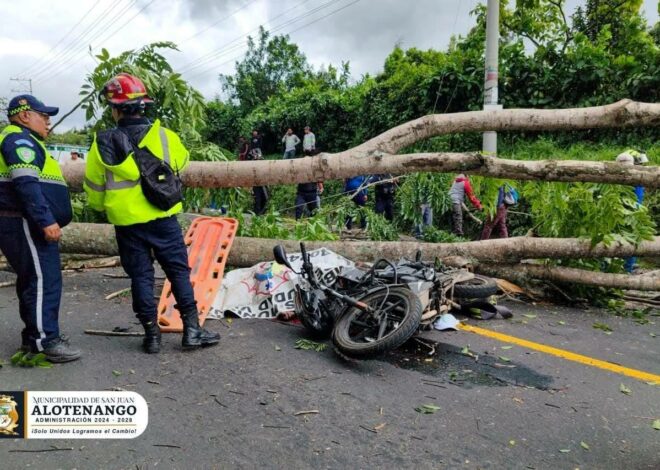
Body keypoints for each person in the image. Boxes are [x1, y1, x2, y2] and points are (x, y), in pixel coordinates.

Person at [84, 73, 220, 354]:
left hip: (126, 222)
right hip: (163, 216)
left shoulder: (102, 144)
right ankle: (192, 331)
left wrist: (104, 208)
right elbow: (181, 162)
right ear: (143, 105)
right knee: (178, 273)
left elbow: (95, 190)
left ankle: (151, 336)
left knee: (141, 277)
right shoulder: (164, 136)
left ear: (115, 109)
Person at [0, 95, 80, 362]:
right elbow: (26, 184)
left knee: (33, 280)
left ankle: (35, 336)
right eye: (43, 116)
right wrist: (45, 220)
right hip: (25, 220)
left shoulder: (23, 139)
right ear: (24, 116)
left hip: (22, 220)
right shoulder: (18, 140)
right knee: (44, 280)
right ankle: (46, 342)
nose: (48, 122)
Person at [616, 149, 649, 272]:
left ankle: (627, 266)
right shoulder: (633, 178)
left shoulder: (638, 177)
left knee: (630, 238)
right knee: (628, 237)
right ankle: (626, 267)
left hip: (631, 213)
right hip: (625, 213)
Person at [247, 130, 268, 214]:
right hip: (256, 183)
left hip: (263, 183)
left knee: (265, 198)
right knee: (257, 199)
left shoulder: (261, 158)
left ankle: (261, 213)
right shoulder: (251, 160)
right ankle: (257, 214)